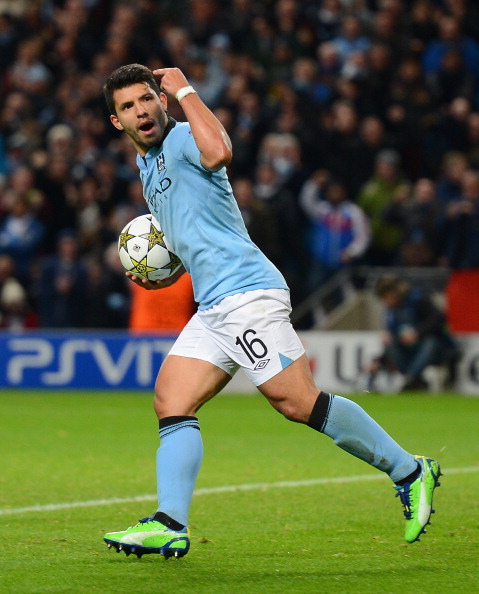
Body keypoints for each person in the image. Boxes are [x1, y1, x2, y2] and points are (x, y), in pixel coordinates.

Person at [101, 64, 441, 559]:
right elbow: (196, 231)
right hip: (213, 305)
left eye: (147, 98)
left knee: (298, 403)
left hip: (245, 294)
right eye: (128, 106)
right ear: (117, 121)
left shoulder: (181, 138)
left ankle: (409, 470)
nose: (141, 111)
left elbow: (220, 152)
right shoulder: (147, 165)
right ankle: (169, 524)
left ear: (162, 100)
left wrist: (188, 91)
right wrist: (167, 273)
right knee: (171, 399)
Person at [371, 275, 460, 392]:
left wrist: (417, 333)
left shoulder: (418, 299)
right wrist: (379, 360)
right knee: (390, 343)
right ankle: (412, 379)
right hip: (410, 352)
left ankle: (412, 378)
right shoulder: (391, 312)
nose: (386, 302)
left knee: (430, 343)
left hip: (437, 348)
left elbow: (438, 318)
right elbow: (393, 336)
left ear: (394, 293)